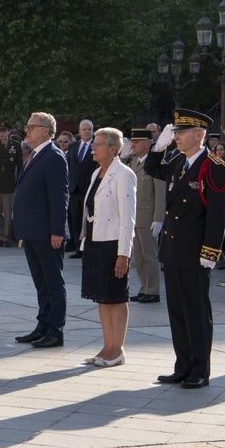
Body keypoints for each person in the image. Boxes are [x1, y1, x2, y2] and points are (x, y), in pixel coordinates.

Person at [145, 109, 225, 388]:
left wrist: (210, 251)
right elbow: (151, 168)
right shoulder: (179, 160)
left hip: (194, 251)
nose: (177, 137)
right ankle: (182, 366)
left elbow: (218, 214)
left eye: (181, 133)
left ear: (199, 134)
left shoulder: (213, 166)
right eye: (176, 133)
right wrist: (159, 146)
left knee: (196, 312)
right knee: (178, 311)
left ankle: (199, 370)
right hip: (173, 248)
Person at [12, 112, 69, 348]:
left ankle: (55, 330)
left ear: (45, 130)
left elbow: (59, 197)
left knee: (53, 282)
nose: (27, 131)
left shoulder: (54, 156)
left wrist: (57, 231)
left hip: (47, 233)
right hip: (33, 231)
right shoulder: (36, 154)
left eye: (31, 127)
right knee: (41, 282)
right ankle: (43, 325)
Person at [81, 127, 136, 366]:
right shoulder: (97, 174)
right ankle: (107, 346)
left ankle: (118, 349)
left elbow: (128, 218)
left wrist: (123, 254)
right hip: (95, 241)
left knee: (116, 296)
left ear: (113, 149)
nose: (94, 147)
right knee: (102, 297)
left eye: (99, 144)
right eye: (94, 143)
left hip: (114, 244)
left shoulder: (123, 174)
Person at [123, 129, 164, 303]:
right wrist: (123, 159)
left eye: (137, 142)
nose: (133, 145)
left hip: (148, 217)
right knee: (139, 256)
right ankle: (144, 287)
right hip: (135, 216)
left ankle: (153, 290)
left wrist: (159, 218)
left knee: (150, 256)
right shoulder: (133, 162)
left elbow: (161, 193)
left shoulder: (156, 163)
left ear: (148, 143)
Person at [67, 119, 97, 257]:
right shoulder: (73, 147)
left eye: (89, 129)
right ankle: (79, 248)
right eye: (84, 129)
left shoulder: (96, 146)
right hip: (74, 189)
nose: (87, 132)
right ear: (79, 131)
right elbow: (68, 167)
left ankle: (89, 248)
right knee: (76, 219)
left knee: (89, 219)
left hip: (89, 189)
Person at [0, 122, 22, 247]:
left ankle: (6, 238)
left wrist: (18, 183)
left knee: (7, 212)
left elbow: (20, 166)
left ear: (9, 131)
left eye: (4, 131)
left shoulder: (15, 145)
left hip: (9, 183)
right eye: (0, 131)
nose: (2, 133)